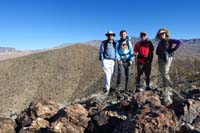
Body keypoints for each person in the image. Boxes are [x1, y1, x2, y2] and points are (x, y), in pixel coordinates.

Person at [99, 30, 116, 95]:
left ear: (113, 36)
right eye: (109, 35)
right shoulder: (104, 43)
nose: (110, 36)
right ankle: (107, 89)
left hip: (112, 61)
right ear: (107, 36)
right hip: (106, 60)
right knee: (107, 74)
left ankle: (104, 87)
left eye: (111, 35)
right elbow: (101, 51)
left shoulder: (115, 43)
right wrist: (102, 60)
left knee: (110, 75)